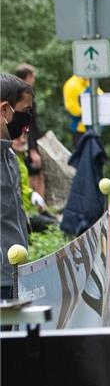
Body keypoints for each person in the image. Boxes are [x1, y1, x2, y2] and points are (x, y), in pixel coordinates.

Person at [1, 73, 34, 300]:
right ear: (5, 111)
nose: (27, 123)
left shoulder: (10, 155)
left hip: (14, 274)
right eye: (26, 112)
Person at [12, 65, 44, 198]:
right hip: (24, 142)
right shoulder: (21, 97)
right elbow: (26, 124)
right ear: (26, 77)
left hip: (30, 140)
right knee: (32, 173)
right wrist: (32, 150)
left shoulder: (26, 94)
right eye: (32, 76)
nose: (34, 79)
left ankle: (39, 206)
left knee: (36, 172)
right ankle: (35, 206)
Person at [62, 73, 103, 147]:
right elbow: (71, 108)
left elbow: (101, 96)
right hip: (80, 130)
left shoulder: (90, 82)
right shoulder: (71, 85)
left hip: (95, 129)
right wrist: (91, 113)